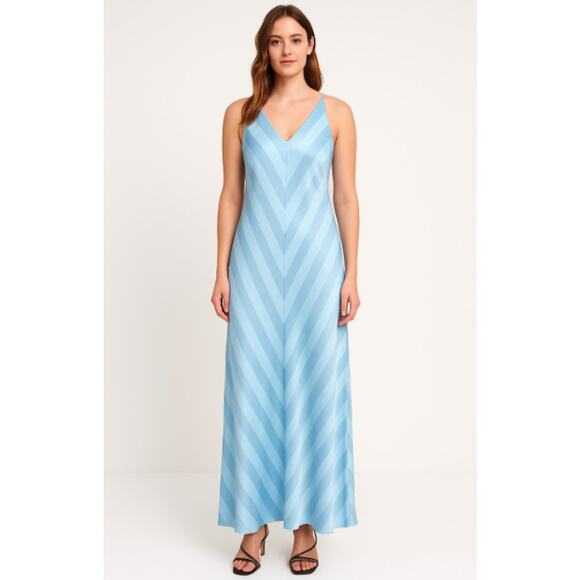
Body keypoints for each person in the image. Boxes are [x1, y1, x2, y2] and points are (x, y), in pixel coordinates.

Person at [211, 4, 361, 575]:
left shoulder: (337, 113)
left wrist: (351, 273)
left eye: (296, 39)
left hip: (317, 268)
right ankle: (252, 524)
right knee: (250, 388)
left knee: (314, 386)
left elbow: (345, 196)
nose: (287, 50)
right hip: (253, 266)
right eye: (276, 41)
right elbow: (231, 194)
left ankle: (304, 524)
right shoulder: (240, 114)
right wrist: (221, 270)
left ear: (311, 45)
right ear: (265, 49)